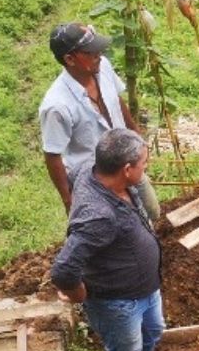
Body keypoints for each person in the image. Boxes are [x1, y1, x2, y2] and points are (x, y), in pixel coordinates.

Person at [51, 129, 180, 351]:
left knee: (153, 332)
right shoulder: (98, 217)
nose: (146, 169)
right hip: (118, 301)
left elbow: (71, 180)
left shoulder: (90, 170)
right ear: (126, 169)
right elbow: (64, 270)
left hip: (144, 290)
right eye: (144, 165)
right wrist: (81, 294)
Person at [39, 22, 160, 220]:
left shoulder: (102, 66)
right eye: (90, 51)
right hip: (95, 180)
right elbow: (53, 155)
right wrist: (69, 200)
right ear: (70, 59)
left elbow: (116, 100)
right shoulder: (57, 106)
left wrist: (136, 134)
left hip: (128, 161)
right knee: (118, 226)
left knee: (151, 212)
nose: (99, 53)